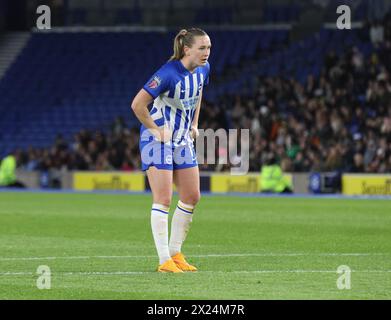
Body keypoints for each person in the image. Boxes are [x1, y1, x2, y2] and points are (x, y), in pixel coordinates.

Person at [131, 28, 211, 273]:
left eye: (208, 48)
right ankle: (164, 260)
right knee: (163, 199)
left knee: (192, 196)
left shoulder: (204, 69)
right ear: (187, 49)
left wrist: (195, 124)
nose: (206, 53)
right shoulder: (167, 73)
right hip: (158, 140)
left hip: (182, 140)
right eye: (202, 48)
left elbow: (197, 95)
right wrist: (156, 130)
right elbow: (137, 104)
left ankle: (176, 254)